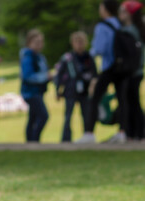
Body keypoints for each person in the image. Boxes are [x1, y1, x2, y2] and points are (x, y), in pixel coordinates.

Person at [76, 0, 128, 144]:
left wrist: (90, 54)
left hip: (108, 67)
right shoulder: (121, 24)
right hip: (122, 68)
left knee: (94, 99)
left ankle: (89, 133)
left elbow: (99, 49)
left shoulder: (102, 26)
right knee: (122, 100)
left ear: (105, 9)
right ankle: (122, 131)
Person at [54, 32, 98, 143]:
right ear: (72, 43)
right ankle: (66, 139)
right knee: (68, 116)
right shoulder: (67, 58)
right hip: (70, 91)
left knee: (86, 115)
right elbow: (59, 75)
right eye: (77, 42)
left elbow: (95, 74)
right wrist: (58, 90)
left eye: (81, 42)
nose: (79, 44)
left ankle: (87, 136)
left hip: (85, 92)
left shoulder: (88, 57)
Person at [119, 1, 145, 140]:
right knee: (133, 102)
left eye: (123, 11)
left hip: (132, 72)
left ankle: (136, 133)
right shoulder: (138, 29)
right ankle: (137, 132)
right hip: (137, 71)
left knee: (132, 103)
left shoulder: (130, 31)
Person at [20, 29, 52, 143]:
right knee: (43, 115)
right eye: (36, 42)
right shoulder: (28, 57)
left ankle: (30, 142)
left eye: (41, 42)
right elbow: (28, 75)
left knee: (33, 117)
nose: (39, 45)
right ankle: (34, 140)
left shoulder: (39, 57)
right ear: (29, 42)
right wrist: (44, 77)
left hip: (39, 91)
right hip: (30, 92)